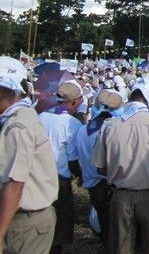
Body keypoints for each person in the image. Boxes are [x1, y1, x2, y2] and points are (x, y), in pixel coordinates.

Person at [93, 82, 149, 254]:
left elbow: (100, 168)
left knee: (121, 248)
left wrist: (120, 171)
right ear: (148, 102)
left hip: (120, 197)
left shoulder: (109, 125)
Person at [0, 77, 58, 254]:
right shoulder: (21, 116)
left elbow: (14, 184)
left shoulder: (17, 126)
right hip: (25, 217)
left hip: (23, 220)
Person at [38, 80, 84, 254]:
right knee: (58, 226)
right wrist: (81, 176)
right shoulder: (72, 123)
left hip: (38, 175)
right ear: (75, 101)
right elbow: (73, 159)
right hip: (59, 180)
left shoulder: (41, 116)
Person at [74, 89, 124, 245]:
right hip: (113, 186)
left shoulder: (82, 130)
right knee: (119, 232)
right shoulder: (116, 130)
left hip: (94, 187)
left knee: (105, 225)